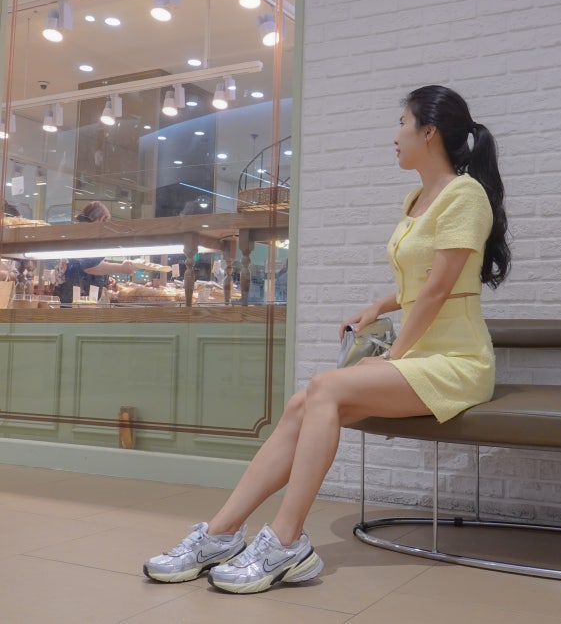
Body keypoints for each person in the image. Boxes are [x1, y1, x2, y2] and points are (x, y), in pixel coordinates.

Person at [143, 85, 511, 594]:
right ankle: (221, 534)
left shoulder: (464, 195)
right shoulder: (416, 199)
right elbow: (421, 281)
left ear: (428, 132)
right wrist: (380, 306)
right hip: (420, 356)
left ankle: (287, 541)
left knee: (325, 387)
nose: (395, 137)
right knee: (303, 402)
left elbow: (439, 290)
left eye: (401, 124)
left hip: (456, 361)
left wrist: (392, 357)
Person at [54, 201, 137, 303]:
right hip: (75, 301)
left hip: (78, 299)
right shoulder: (85, 234)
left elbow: (88, 266)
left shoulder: (80, 232)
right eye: (106, 221)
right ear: (103, 219)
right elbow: (90, 266)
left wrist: (105, 277)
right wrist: (122, 268)